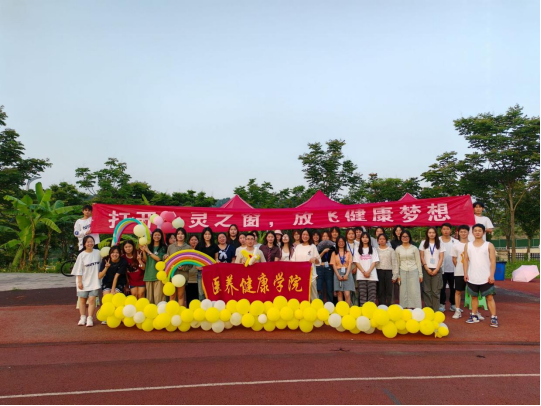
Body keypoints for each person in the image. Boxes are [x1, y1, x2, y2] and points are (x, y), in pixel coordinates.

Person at [464, 224, 498, 327]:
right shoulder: (468, 245)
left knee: (489, 297)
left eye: (480, 230)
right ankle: (474, 316)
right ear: (472, 232)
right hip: (472, 276)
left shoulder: (489, 245)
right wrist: (465, 273)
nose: (477, 232)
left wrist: (492, 275)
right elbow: (465, 260)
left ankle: (494, 318)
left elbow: (493, 261)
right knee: (473, 297)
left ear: (483, 232)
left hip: (486, 277)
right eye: (475, 230)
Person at [72, 235, 102, 327]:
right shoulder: (81, 255)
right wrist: (80, 282)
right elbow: (78, 269)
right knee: (82, 300)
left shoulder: (98, 253)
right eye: (88, 242)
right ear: (84, 244)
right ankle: (82, 317)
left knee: (92, 300)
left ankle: (90, 318)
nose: (90, 243)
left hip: (95, 281)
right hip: (84, 282)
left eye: (91, 241)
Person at [291, 229, 321, 302]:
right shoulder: (298, 247)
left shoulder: (312, 246)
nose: (305, 236)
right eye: (303, 234)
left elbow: (319, 262)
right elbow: (292, 261)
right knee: (301, 296)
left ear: (310, 236)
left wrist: (315, 259)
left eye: (307, 235)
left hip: (311, 276)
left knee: (313, 297)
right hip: (299, 276)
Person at [395, 231, 423, 309]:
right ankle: (404, 308)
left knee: (415, 290)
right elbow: (397, 263)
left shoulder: (414, 248)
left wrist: (420, 274)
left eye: (407, 236)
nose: (405, 238)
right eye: (403, 236)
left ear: (409, 237)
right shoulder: (398, 249)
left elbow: (418, 262)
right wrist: (398, 275)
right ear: (400, 238)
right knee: (403, 291)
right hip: (402, 271)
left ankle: (417, 308)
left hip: (414, 271)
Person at [420, 227, 445, 312]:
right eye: (429, 232)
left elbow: (441, 257)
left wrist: (437, 269)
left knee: (436, 291)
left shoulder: (440, 243)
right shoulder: (423, 243)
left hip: (437, 269)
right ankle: (428, 310)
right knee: (426, 290)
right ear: (427, 234)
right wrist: (426, 268)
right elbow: (421, 256)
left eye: (433, 232)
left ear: (436, 234)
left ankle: (436, 310)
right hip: (426, 268)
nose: (431, 234)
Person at [165, 228, 191, 306]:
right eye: (178, 234)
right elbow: (167, 260)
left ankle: (180, 311)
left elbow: (190, 263)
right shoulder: (170, 247)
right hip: (172, 274)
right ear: (176, 235)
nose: (180, 235)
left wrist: (183, 268)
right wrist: (165, 257)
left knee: (180, 295)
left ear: (185, 236)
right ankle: (171, 310)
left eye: (182, 234)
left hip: (182, 275)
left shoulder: (188, 248)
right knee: (172, 295)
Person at [354, 232, 380, 306]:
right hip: (361, 275)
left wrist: (368, 272)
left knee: (372, 295)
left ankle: (371, 310)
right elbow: (356, 262)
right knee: (362, 295)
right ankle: (363, 310)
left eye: (366, 237)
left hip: (372, 275)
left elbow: (374, 261)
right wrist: (364, 272)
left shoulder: (373, 249)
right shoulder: (357, 249)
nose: (365, 239)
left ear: (369, 239)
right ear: (361, 239)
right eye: (363, 237)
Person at [142, 229, 168, 305]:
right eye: (155, 235)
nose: (157, 236)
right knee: (149, 299)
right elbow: (146, 260)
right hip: (149, 274)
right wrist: (143, 251)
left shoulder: (163, 247)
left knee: (158, 297)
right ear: (152, 236)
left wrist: (148, 251)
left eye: (159, 235)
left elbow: (159, 259)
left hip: (159, 275)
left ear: (161, 236)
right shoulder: (148, 246)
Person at [452, 225, 470, 319]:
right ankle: (457, 310)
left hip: (472, 272)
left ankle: (475, 312)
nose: (463, 233)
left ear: (468, 233)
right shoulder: (455, 245)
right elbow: (454, 259)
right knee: (458, 291)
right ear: (458, 233)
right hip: (459, 272)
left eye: (465, 231)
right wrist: (460, 267)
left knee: (473, 293)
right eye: (461, 232)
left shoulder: (472, 245)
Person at [196, 227, 219, 300]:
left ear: (211, 235)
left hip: (211, 272)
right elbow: (196, 258)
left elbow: (216, 258)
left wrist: (217, 261)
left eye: (209, 234)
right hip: (201, 272)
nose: (207, 236)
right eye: (205, 234)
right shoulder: (199, 245)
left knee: (211, 291)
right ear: (203, 235)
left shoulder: (215, 246)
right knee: (201, 293)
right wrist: (197, 266)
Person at [376, 234, 398, 307]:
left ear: (386, 240)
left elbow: (394, 263)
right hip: (379, 271)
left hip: (389, 272)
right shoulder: (375, 250)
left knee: (389, 290)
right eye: (380, 239)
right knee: (380, 290)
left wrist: (395, 275)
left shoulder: (391, 250)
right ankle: (381, 306)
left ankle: (389, 306)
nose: (382, 240)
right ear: (378, 241)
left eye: (383, 239)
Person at [330, 236, 354, 306]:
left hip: (347, 272)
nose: (341, 243)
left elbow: (350, 264)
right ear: (337, 243)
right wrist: (338, 275)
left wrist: (347, 274)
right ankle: (341, 310)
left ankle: (348, 310)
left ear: (345, 243)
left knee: (347, 294)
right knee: (339, 293)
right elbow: (333, 264)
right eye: (339, 242)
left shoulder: (348, 253)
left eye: (342, 241)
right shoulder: (334, 253)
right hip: (337, 272)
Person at [439, 223, 457, 312]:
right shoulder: (437, 240)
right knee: (441, 288)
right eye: (444, 229)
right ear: (441, 230)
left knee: (453, 288)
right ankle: (442, 304)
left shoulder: (455, 241)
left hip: (453, 268)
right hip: (441, 269)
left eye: (447, 229)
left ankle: (453, 304)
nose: (446, 231)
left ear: (450, 230)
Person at [317, 231, 335, 303]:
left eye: (327, 236)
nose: (325, 238)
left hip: (329, 268)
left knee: (329, 288)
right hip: (320, 268)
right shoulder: (318, 246)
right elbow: (317, 258)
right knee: (319, 288)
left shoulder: (332, 247)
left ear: (329, 237)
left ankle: (330, 304)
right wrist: (323, 252)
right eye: (323, 236)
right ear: (321, 238)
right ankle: (320, 304)